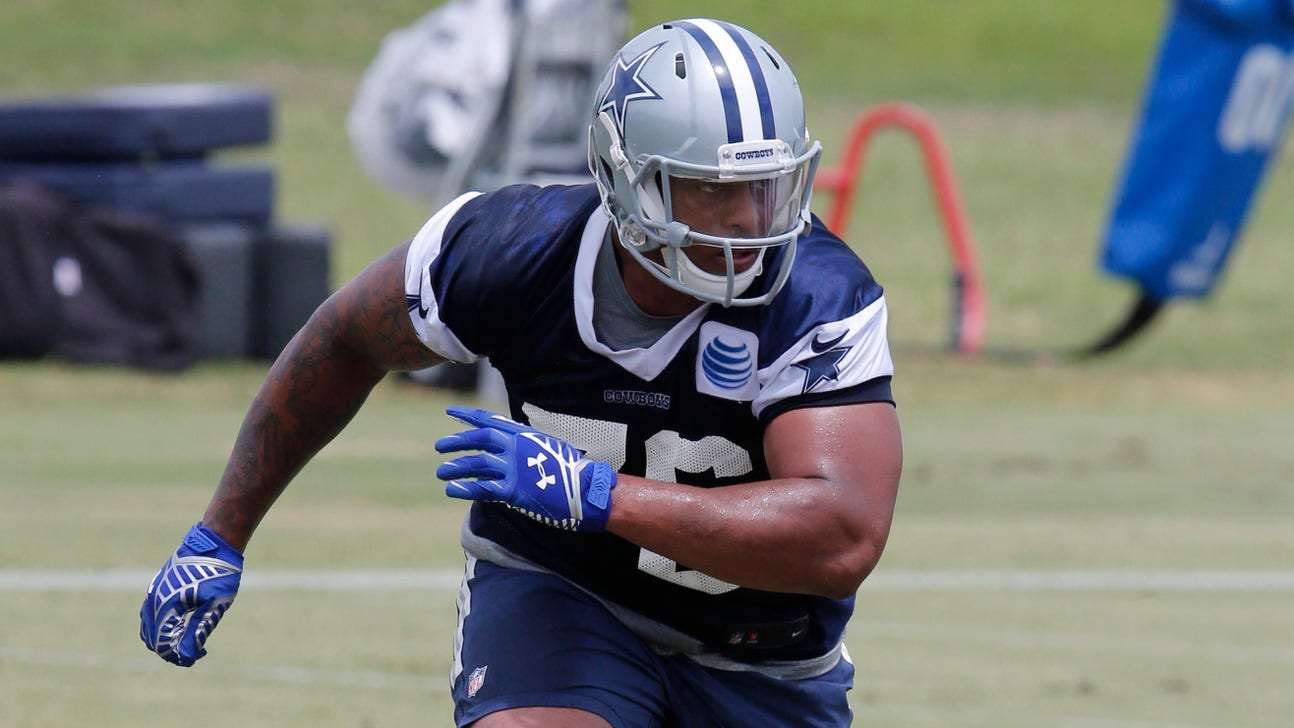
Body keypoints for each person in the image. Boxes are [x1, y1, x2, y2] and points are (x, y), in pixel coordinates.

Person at [140, 17, 902, 728]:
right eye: (711, 188)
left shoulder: (819, 296)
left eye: (765, 185)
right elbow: (342, 340)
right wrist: (221, 532)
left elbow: (841, 535)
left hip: (762, 651)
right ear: (627, 178)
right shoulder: (509, 249)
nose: (748, 221)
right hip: (565, 594)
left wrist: (598, 494)